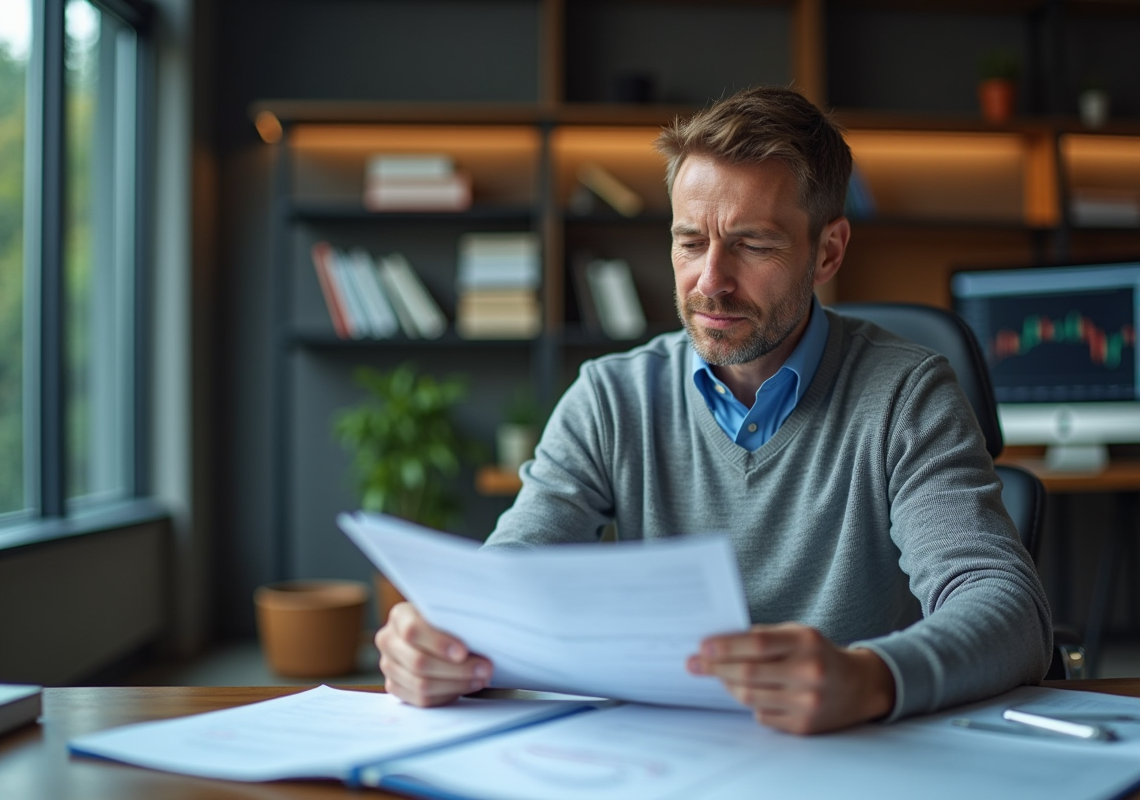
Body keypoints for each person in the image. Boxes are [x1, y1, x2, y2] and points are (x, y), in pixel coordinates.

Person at [375, 86, 1053, 735]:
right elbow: (509, 581)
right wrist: (442, 642)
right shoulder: (611, 398)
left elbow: (1008, 608)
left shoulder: (908, 393)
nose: (711, 281)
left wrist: (870, 678)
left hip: (845, 754)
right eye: (690, 241)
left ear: (828, 251)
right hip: (660, 758)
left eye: (753, 244)